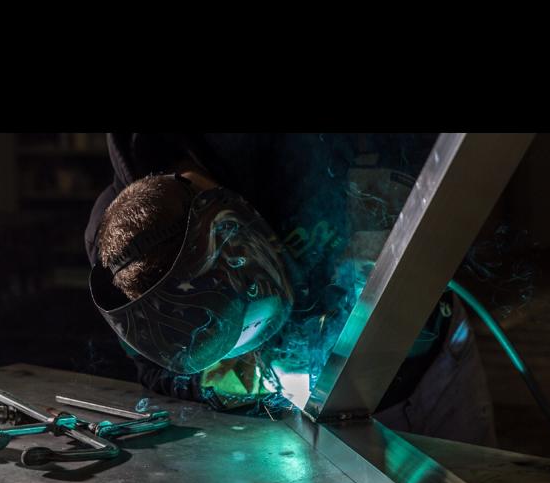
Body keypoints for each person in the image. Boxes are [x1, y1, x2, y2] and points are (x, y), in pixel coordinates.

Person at [85, 133, 496, 445]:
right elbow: (154, 369)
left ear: (229, 225)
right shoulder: (116, 263)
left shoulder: (288, 149)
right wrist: (216, 380)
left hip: (432, 368)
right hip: (310, 425)